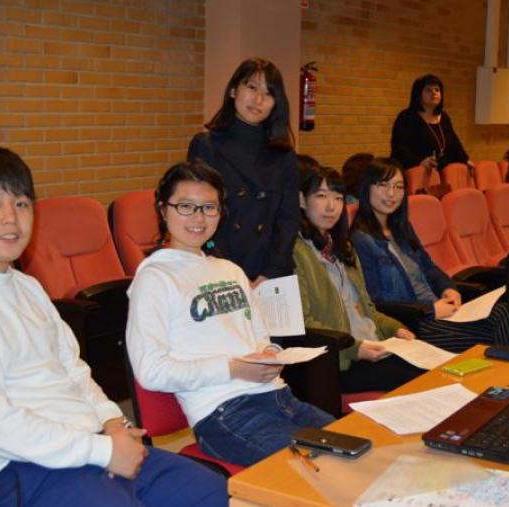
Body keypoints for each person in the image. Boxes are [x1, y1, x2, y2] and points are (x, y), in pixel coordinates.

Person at [0, 144, 227, 507]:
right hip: (18, 468)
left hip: (86, 446)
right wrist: (102, 450)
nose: (11, 217)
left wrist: (113, 423)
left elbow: (74, 370)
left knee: (210, 490)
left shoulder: (26, 287)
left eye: (21, 204)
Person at [126, 160, 335, 467]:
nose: (199, 217)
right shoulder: (155, 278)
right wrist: (233, 369)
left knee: (360, 451)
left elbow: (261, 336)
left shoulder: (230, 270)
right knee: (319, 470)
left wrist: (270, 354)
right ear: (162, 210)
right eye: (186, 206)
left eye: (209, 207)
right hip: (224, 413)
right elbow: (151, 371)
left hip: (281, 399)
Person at [350, 157, 509, 353]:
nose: (391, 194)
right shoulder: (361, 240)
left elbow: (429, 267)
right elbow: (375, 301)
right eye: (383, 185)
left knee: (503, 312)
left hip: (438, 311)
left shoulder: (401, 229)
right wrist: (431, 308)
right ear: (367, 188)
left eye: (398, 187)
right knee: (488, 336)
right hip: (414, 322)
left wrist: (449, 289)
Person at [293, 164, 424, 393]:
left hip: (373, 346)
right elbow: (304, 325)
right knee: (420, 377)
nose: (331, 206)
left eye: (338, 197)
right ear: (302, 200)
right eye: (321, 196)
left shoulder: (343, 248)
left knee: (431, 365)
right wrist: (355, 349)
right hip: (339, 361)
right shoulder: (294, 253)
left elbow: (367, 309)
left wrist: (395, 329)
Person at [188, 57, 299, 287]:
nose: (258, 100)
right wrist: (229, 273)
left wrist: (269, 274)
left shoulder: (284, 155)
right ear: (232, 91)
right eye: (251, 87)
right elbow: (200, 214)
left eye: (269, 94)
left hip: (269, 275)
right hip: (219, 269)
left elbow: (288, 221)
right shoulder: (206, 145)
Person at [390, 74, 474, 180]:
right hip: (415, 174)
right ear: (418, 94)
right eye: (428, 90)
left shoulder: (444, 117)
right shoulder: (406, 117)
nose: (434, 93)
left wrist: (465, 160)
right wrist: (419, 162)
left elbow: (454, 142)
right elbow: (399, 148)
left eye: (437, 90)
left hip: (441, 174)